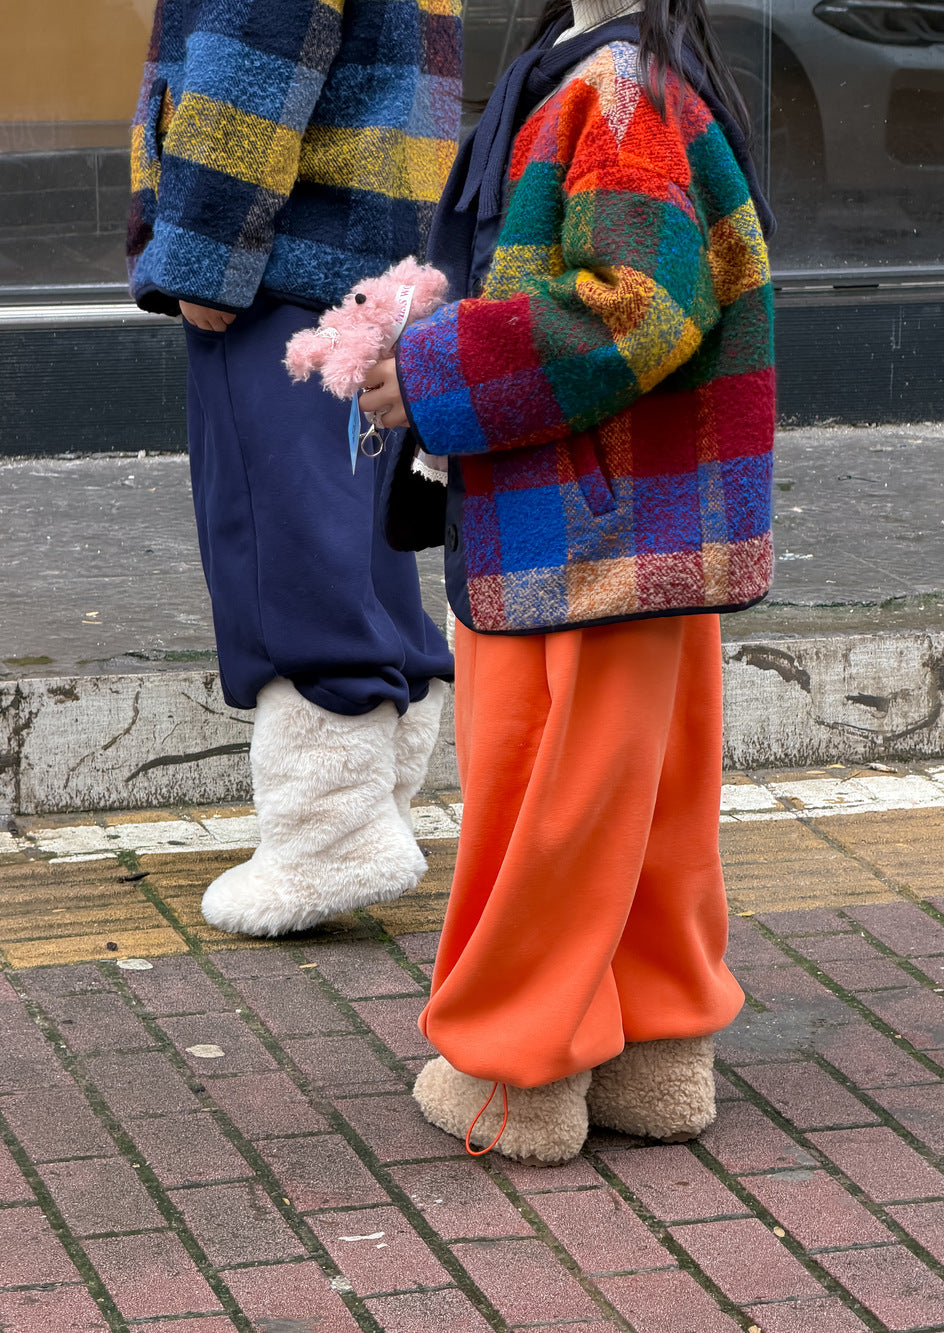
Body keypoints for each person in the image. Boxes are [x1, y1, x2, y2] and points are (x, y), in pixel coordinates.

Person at [359, 0, 777, 1162]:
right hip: (638, 525)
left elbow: (638, 308)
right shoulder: (636, 75)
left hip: (574, 527)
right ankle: (655, 1054)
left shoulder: (615, 89)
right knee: (643, 806)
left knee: (541, 800)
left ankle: (518, 1072)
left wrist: (426, 369)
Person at [126, 0, 461, 936]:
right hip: (371, 265)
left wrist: (201, 257)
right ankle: (374, 812)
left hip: (278, 270)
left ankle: (329, 843)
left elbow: (253, 58)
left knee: (285, 559)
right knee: (360, 552)